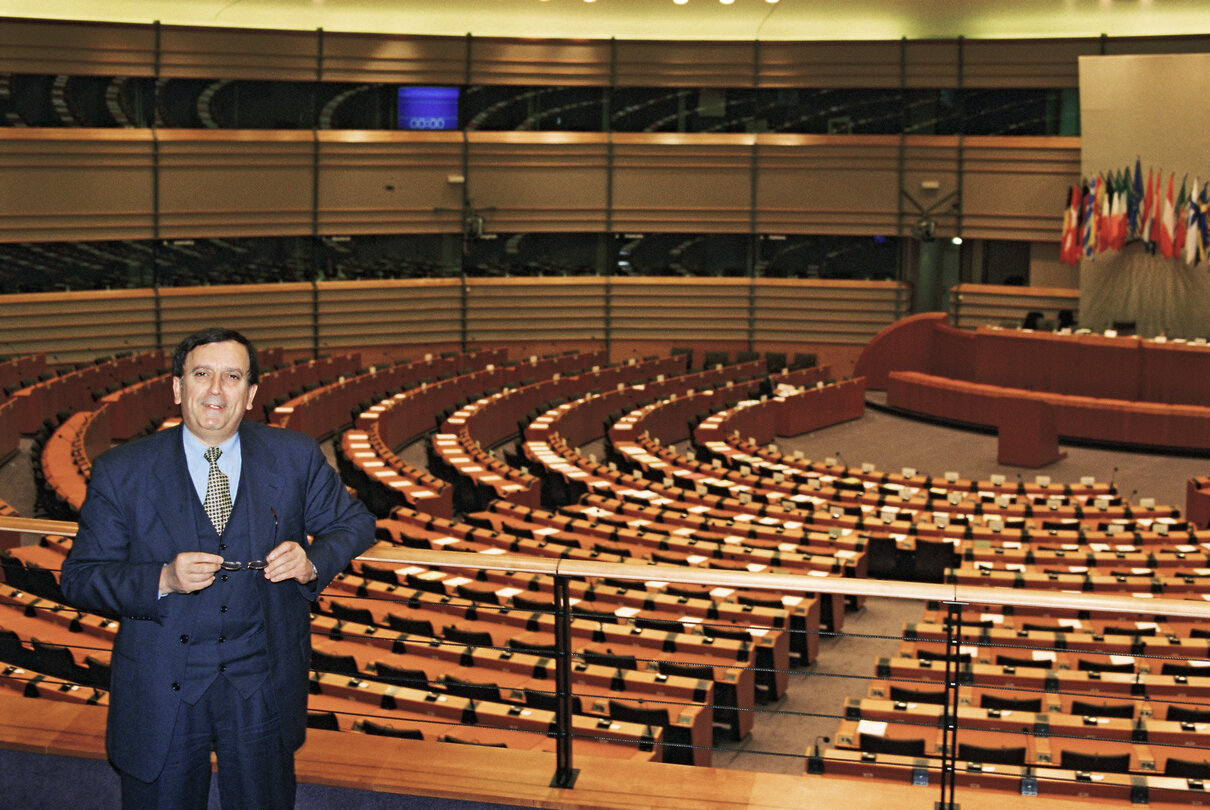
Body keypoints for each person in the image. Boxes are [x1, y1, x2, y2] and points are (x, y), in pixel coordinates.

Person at [61, 327, 376, 809]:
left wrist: (312, 561)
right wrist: (161, 579)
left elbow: (355, 523)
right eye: (201, 374)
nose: (215, 390)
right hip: (162, 682)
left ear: (250, 394)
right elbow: (79, 577)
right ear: (177, 386)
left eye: (232, 377)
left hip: (262, 682)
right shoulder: (121, 470)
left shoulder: (294, 456)